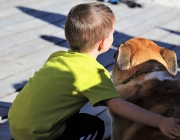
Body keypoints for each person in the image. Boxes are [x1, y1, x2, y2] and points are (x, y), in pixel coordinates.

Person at [8, 2, 180, 140]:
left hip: (16, 123)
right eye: (112, 34)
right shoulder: (95, 74)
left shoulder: (57, 56)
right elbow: (119, 106)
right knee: (94, 126)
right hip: (38, 135)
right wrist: (161, 121)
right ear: (104, 43)